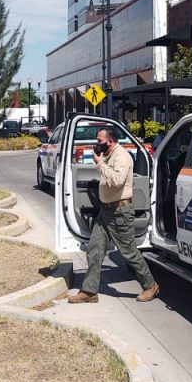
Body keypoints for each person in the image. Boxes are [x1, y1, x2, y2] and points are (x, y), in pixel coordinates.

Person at [69, 126, 159, 304]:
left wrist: (99, 164)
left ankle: (150, 285)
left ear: (110, 141)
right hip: (106, 211)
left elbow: (117, 181)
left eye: (100, 141)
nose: (97, 144)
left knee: (129, 252)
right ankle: (89, 291)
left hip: (120, 212)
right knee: (95, 249)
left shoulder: (122, 157)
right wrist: (101, 163)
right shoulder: (109, 155)